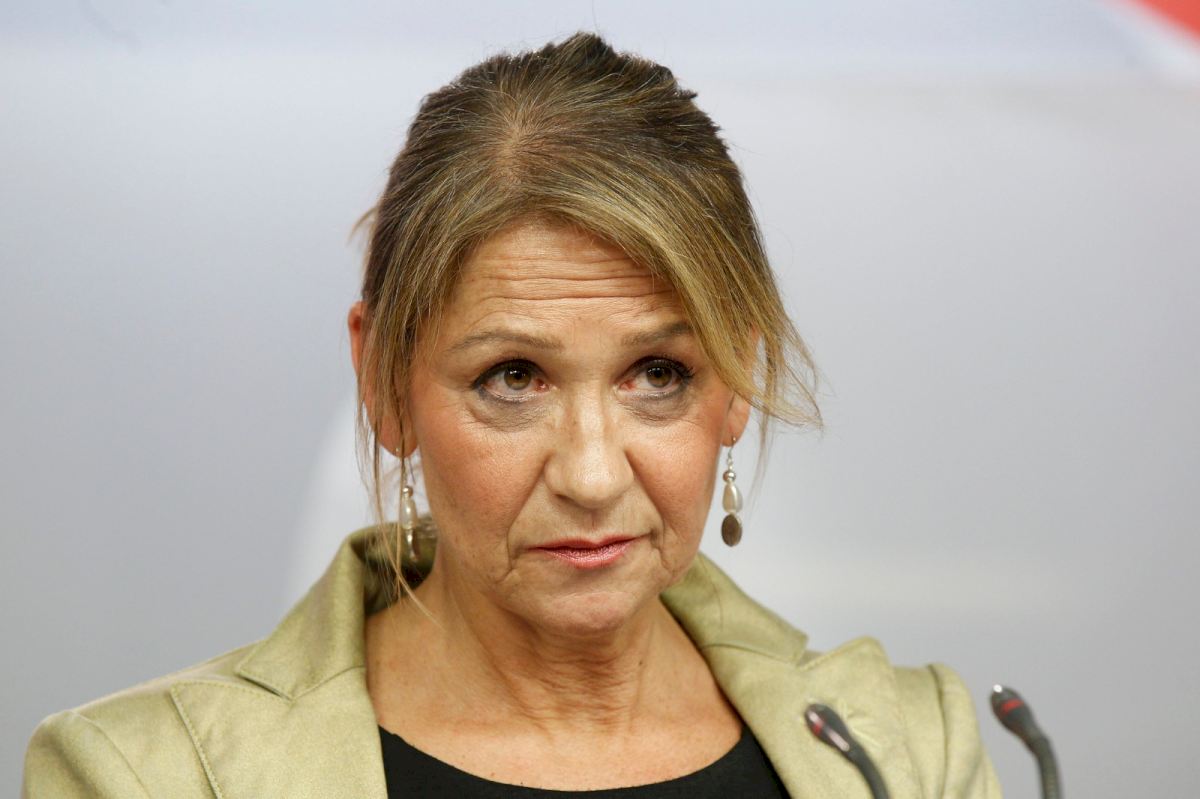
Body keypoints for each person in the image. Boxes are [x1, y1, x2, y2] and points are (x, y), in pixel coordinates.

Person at [22, 32, 1001, 798]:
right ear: (384, 378)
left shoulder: (911, 753)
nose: (592, 474)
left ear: (738, 378)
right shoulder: (145, 775)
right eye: (515, 377)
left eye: (658, 373)